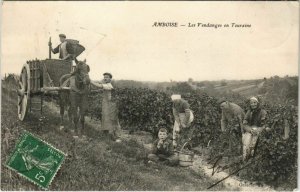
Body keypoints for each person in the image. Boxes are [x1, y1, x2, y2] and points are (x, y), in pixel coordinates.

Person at [91, 73, 121, 142]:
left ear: (110, 79)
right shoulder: (106, 85)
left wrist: (90, 81)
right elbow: (101, 89)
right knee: (105, 119)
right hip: (106, 105)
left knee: (113, 120)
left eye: (107, 77)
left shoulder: (109, 85)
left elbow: (98, 86)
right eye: (104, 77)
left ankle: (117, 137)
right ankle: (106, 135)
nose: (105, 78)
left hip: (111, 105)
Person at [242, 96, 267, 161]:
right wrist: (250, 130)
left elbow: (264, 124)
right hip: (250, 130)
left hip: (258, 131)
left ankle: (253, 159)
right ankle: (245, 159)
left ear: (258, 103)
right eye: (251, 103)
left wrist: (258, 130)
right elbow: (244, 123)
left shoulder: (263, 112)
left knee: (254, 145)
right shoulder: (249, 112)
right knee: (246, 144)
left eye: (255, 102)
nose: (253, 104)